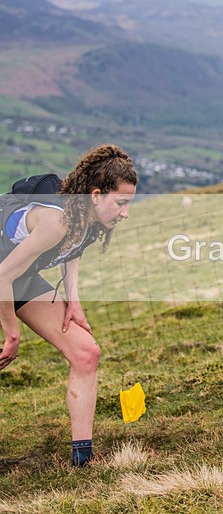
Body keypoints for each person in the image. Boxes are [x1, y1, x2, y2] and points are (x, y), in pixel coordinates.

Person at [0, 144, 138, 466]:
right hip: (4, 275)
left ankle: (82, 459)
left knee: (86, 352)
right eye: (120, 203)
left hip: (18, 276)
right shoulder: (56, 221)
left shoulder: (87, 220)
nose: (125, 213)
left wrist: (73, 300)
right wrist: (12, 333)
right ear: (95, 195)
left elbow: (73, 249)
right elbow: (2, 275)